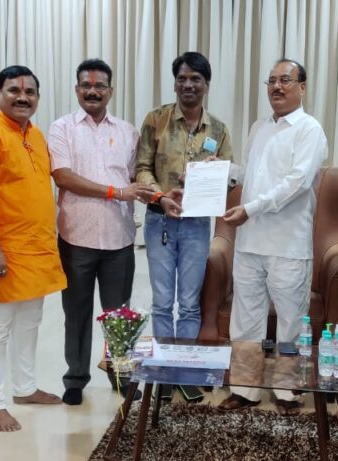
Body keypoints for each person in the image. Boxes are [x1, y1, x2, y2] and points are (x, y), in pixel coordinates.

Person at [0, 65, 67, 433]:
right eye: (14, 91)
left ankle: (24, 388)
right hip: (2, 250)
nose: (23, 97)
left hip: (37, 248)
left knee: (30, 322)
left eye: (29, 92)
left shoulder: (35, 134)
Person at [217, 59, 327, 416]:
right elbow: (249, 173)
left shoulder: (310, 129)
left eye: (285, 80)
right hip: (250, 240)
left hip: (287, 243)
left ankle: (287, 389)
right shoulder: (259, 127)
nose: (277, 87)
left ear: (302, 87)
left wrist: (251, 208)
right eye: (271, 81)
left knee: (291, 320)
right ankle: (245, 388)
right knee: (245, 318)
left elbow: (298, 182)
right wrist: (218, 173)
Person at [134, 51, 233, 400]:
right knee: (162, 302)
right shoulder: (156, 119)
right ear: (175, 83)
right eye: (182, 78)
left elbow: (230, 179)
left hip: (196, 225)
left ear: (207, 85)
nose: (188, 84)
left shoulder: (218, 130)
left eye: (196, 79)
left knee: (190, 303)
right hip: (160, 219)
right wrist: (161, 196)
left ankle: (186, 372)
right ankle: (163, 372)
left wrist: (215, 172)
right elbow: (141, 168)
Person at [49, 59, 146, 406]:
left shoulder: (128, 131)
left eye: (99, 85)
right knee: (76, 314)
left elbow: (138, 177)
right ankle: (75, 378)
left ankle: (121, 375)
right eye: (86, 85)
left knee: (119, 316)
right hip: (76, 238)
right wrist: (115, 192)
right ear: (77, 89)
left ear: (110, 90)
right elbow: (63, 176)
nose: (93, 91)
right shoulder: (61, 128)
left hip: (119, 238)